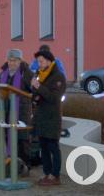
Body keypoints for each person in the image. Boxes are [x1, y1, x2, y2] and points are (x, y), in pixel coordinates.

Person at [31, 49, 66, 186]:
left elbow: (54, 97)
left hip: (52, 117)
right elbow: (35, 93)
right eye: (38, 61)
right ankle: (47, 173)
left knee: (53, 147)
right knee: (43, 146)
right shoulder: (39, 74)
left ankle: (55, 175)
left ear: (49, 61)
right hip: (40, 116)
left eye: (41, 61)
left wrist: (39, 87)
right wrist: (35, 92)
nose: (39, 64)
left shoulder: (58, 77)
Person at [0, 49, 34, 168]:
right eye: (10, 60)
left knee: (22, 139)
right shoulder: (3, 73)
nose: (12, 63)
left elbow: (33, 91)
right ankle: (11, 162)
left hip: (22, 111)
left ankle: (24, 165)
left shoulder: (27, 73)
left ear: (20, 61)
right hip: (7, 111)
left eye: (14, 60)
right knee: (9, 137)